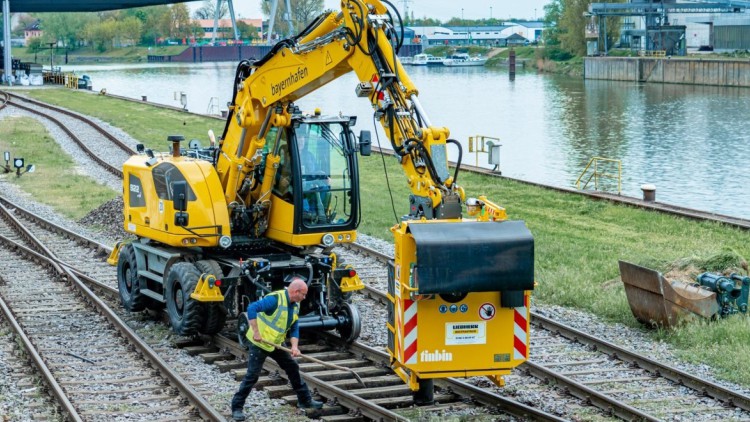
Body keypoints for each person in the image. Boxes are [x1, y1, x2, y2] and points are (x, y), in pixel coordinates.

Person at [230, 277, 323, 421]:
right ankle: (236, 407)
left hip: (276, 344)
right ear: (296, 291)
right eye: (303, 294)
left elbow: (294, 327)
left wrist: (294, 346)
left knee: (292, 366)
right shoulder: (274, 300)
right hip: (260, 343)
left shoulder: (295, 305)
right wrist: (256, 332)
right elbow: (251, 308)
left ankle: (304, 400)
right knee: (252, 376)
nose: (304, 298)